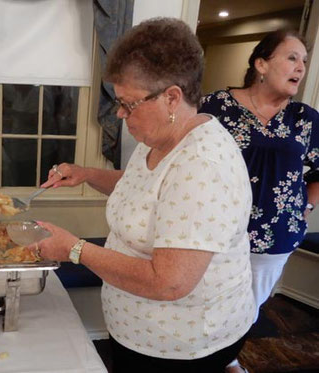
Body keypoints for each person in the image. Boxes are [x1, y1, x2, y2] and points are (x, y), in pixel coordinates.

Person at [34, 18, 255, 372]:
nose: (121, 114)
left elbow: (169, 283)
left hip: (181, 346)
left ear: (171, 97)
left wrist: (73, 248)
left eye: (129, 104)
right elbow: (143, 187)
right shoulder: (160, 137)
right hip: (139, 331)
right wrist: (87, 175)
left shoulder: (202, 166)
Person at [199, 30, 319, 327]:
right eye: (292, 57)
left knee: (248, 308)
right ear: (261, 65)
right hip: (217, 231)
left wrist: (306, 210)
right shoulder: (215, 107)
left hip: (276, 235)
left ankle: (229, 359)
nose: (301, 67)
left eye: (303, 60)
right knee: (205, 302)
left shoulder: (305, 118)